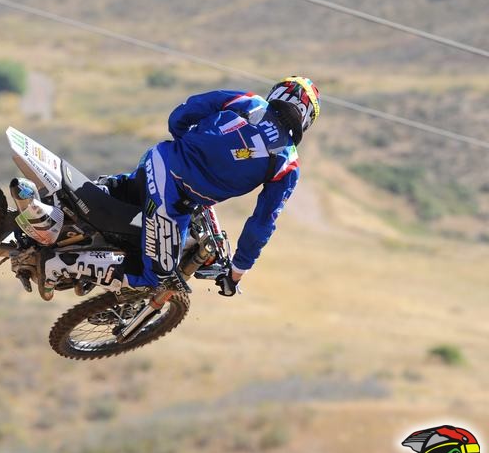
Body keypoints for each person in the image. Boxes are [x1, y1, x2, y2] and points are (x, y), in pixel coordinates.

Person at [43, 76, 320, 296]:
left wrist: (184, 145)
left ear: (277, 92)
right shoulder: (287, 163)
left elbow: (187, 110)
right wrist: (238, 271)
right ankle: (63, 265)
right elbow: (262, 223)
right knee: (158, 277)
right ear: (306, 119)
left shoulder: (248, 100)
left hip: (158, 159)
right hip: (174, 195)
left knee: (124, 192)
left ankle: (65, 212)